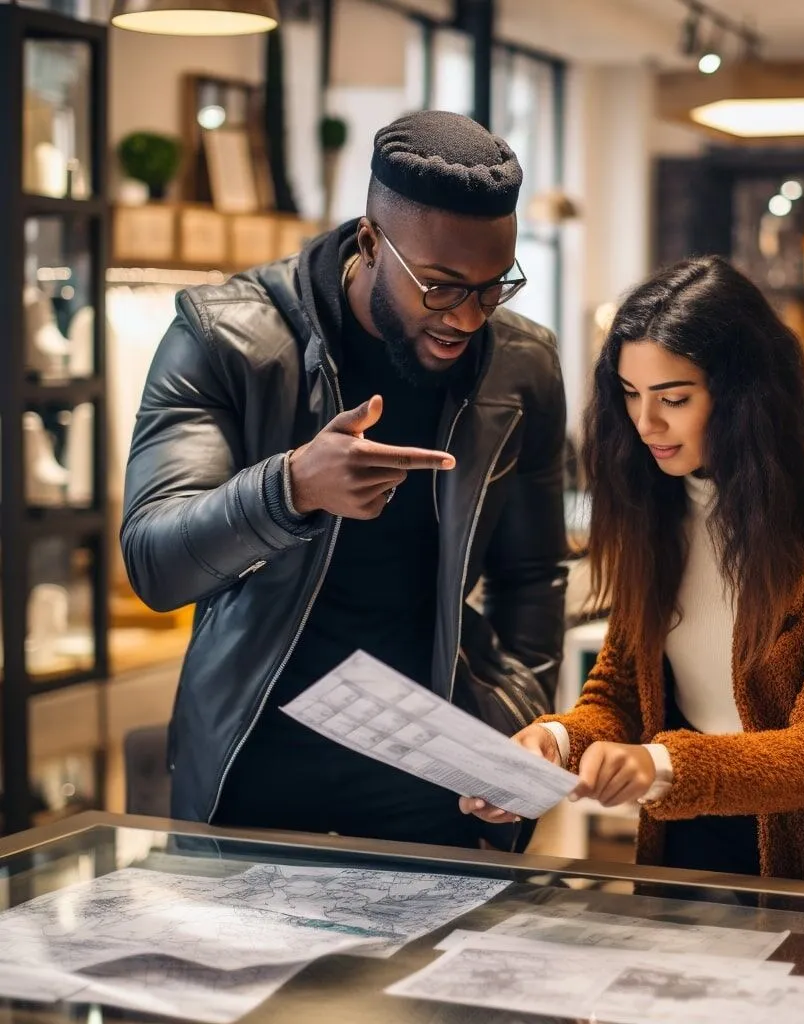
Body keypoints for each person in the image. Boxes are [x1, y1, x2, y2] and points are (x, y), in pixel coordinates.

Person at [121, 110, 568, 850]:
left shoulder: (522, 365)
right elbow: (154, 564)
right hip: (253, 755)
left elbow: (534, 573)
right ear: (369, 242)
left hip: (429, 764)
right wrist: (291, 488)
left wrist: (521, 727)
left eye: (494, 289)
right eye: (441, 287)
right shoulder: (222, 338)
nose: (466, 318)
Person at [462, 256, 804, 886]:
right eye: (629, 396)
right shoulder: (653, 506)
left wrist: (657, 765)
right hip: (685, 836)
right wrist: (557, 745)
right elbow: (622, 691)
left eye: (673, 399)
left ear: (743, 395)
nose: (646, 425)